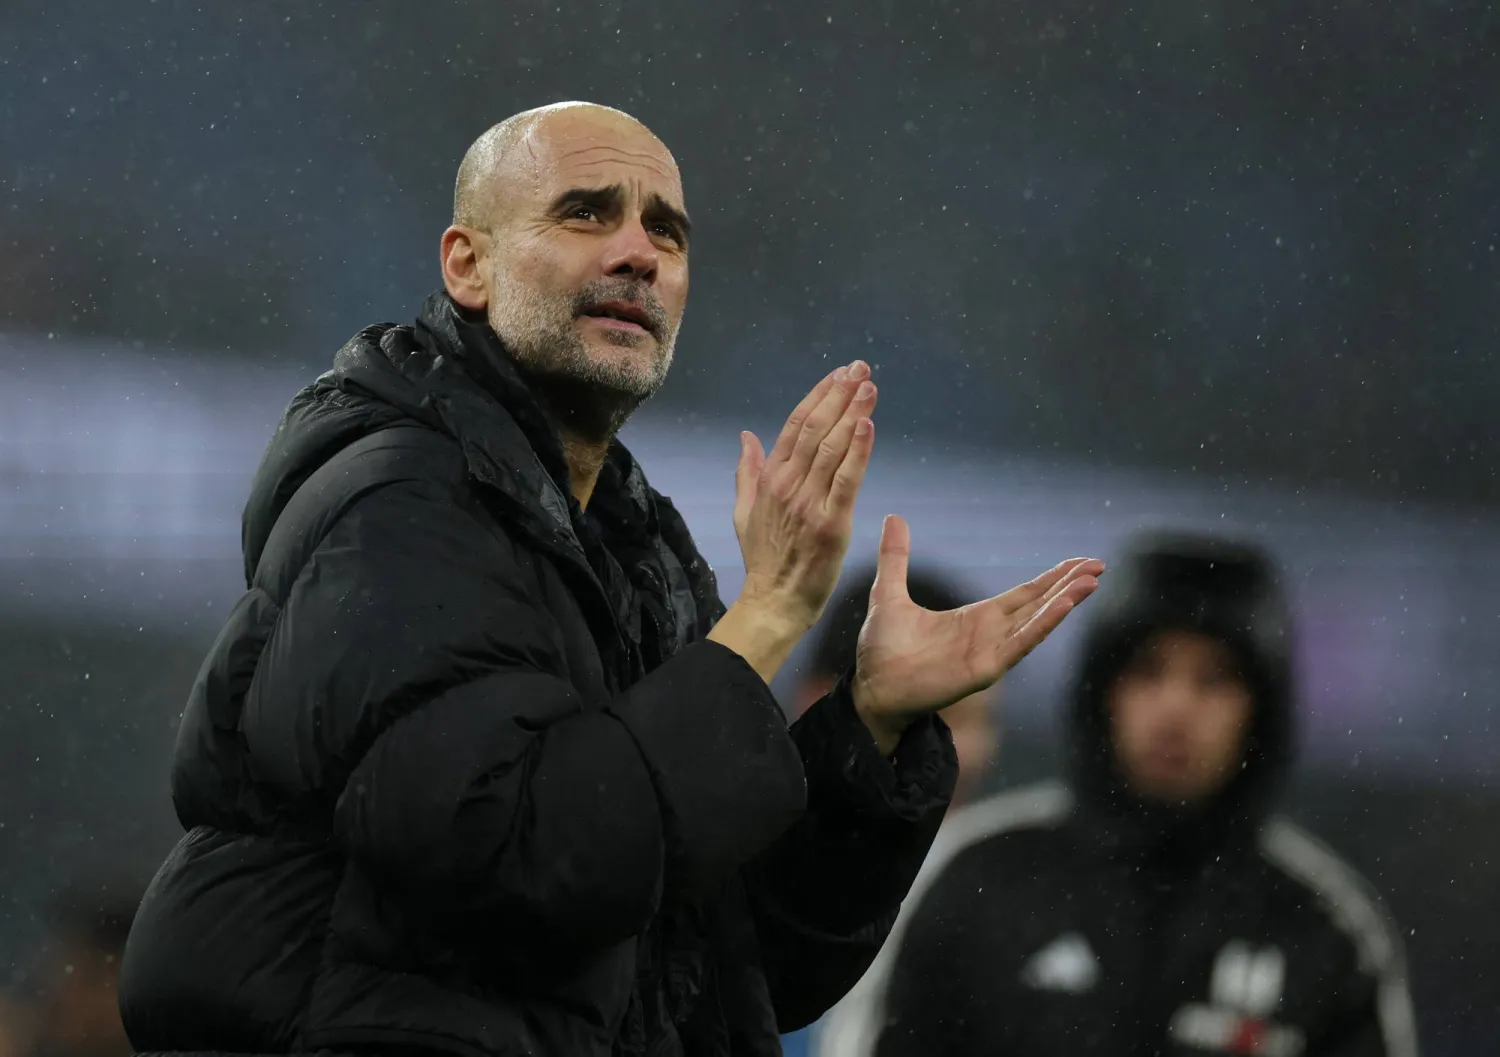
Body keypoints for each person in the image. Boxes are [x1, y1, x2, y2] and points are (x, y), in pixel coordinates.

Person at [117, 101, 1104, 1057]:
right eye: (586, 212)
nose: (640, 253)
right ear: (468, 265)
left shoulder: (635, 553)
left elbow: (725, 960)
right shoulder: (401, 500)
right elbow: (527, 858)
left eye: (667, 232)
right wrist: (768, 614)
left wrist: (869, 728)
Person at [825, 530, 1418, 1057]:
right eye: (1148, 670)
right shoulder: (973, 876)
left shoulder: (1326, 926)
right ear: (1102, 690)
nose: (1176, 707)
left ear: (1261, 712)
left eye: (1215, 679)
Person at [780, 566, 1000, 1057]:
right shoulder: (722, 864)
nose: (973, 752)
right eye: (944, 714)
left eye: (984, 720)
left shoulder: (988, 893)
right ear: (820, 700)